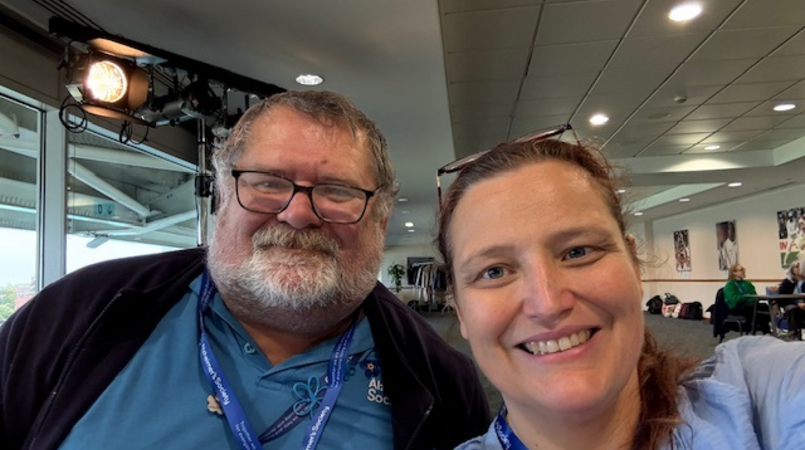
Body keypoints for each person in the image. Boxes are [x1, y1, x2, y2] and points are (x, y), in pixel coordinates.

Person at [0, 90, 490, 450]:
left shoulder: (443, 382)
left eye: (337, 191)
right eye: (267, 183)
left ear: (380, 217)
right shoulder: (79, 313)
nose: (299, 214)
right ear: (222, 194)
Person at [434, 137, 805, 450]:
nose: (547, 304)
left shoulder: (760, 394)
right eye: (494, 271)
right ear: (461, 310)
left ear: (635, 266)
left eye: (578, 252)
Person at [723, 264, 771, 335]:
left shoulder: (748, 283)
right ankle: (764, 331)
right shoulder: (730, 285)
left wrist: (746, 298)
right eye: (741, 270)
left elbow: (754, 296)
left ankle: (760, 331)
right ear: (734, 273)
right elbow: (734, 300)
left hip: (749, 305)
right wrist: (747, 297)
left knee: (763, 306)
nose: (744, 271)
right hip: (736, 307)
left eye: (744, 269)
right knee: (755, 308)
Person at [777, 261, 805, 340]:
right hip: (791, 305)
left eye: (800, 266)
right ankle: (794, 335)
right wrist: (797, 303)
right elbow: (782, 299)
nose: (799, 268)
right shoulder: (787, 282)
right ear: (792, 270)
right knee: (792, 309)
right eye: (797, 267)